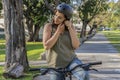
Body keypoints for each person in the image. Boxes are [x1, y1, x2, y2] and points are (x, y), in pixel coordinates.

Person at [43, 3, 89, 80]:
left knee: (84, 75)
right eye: (56, 15)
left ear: (66, 19)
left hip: (71, 61)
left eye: (60, 18)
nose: (56, 19)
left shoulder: (71, 27)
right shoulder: (49, 26)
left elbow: (76, 46)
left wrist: (70, 28)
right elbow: (46, 46)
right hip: (55, 65)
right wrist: (58, 32)